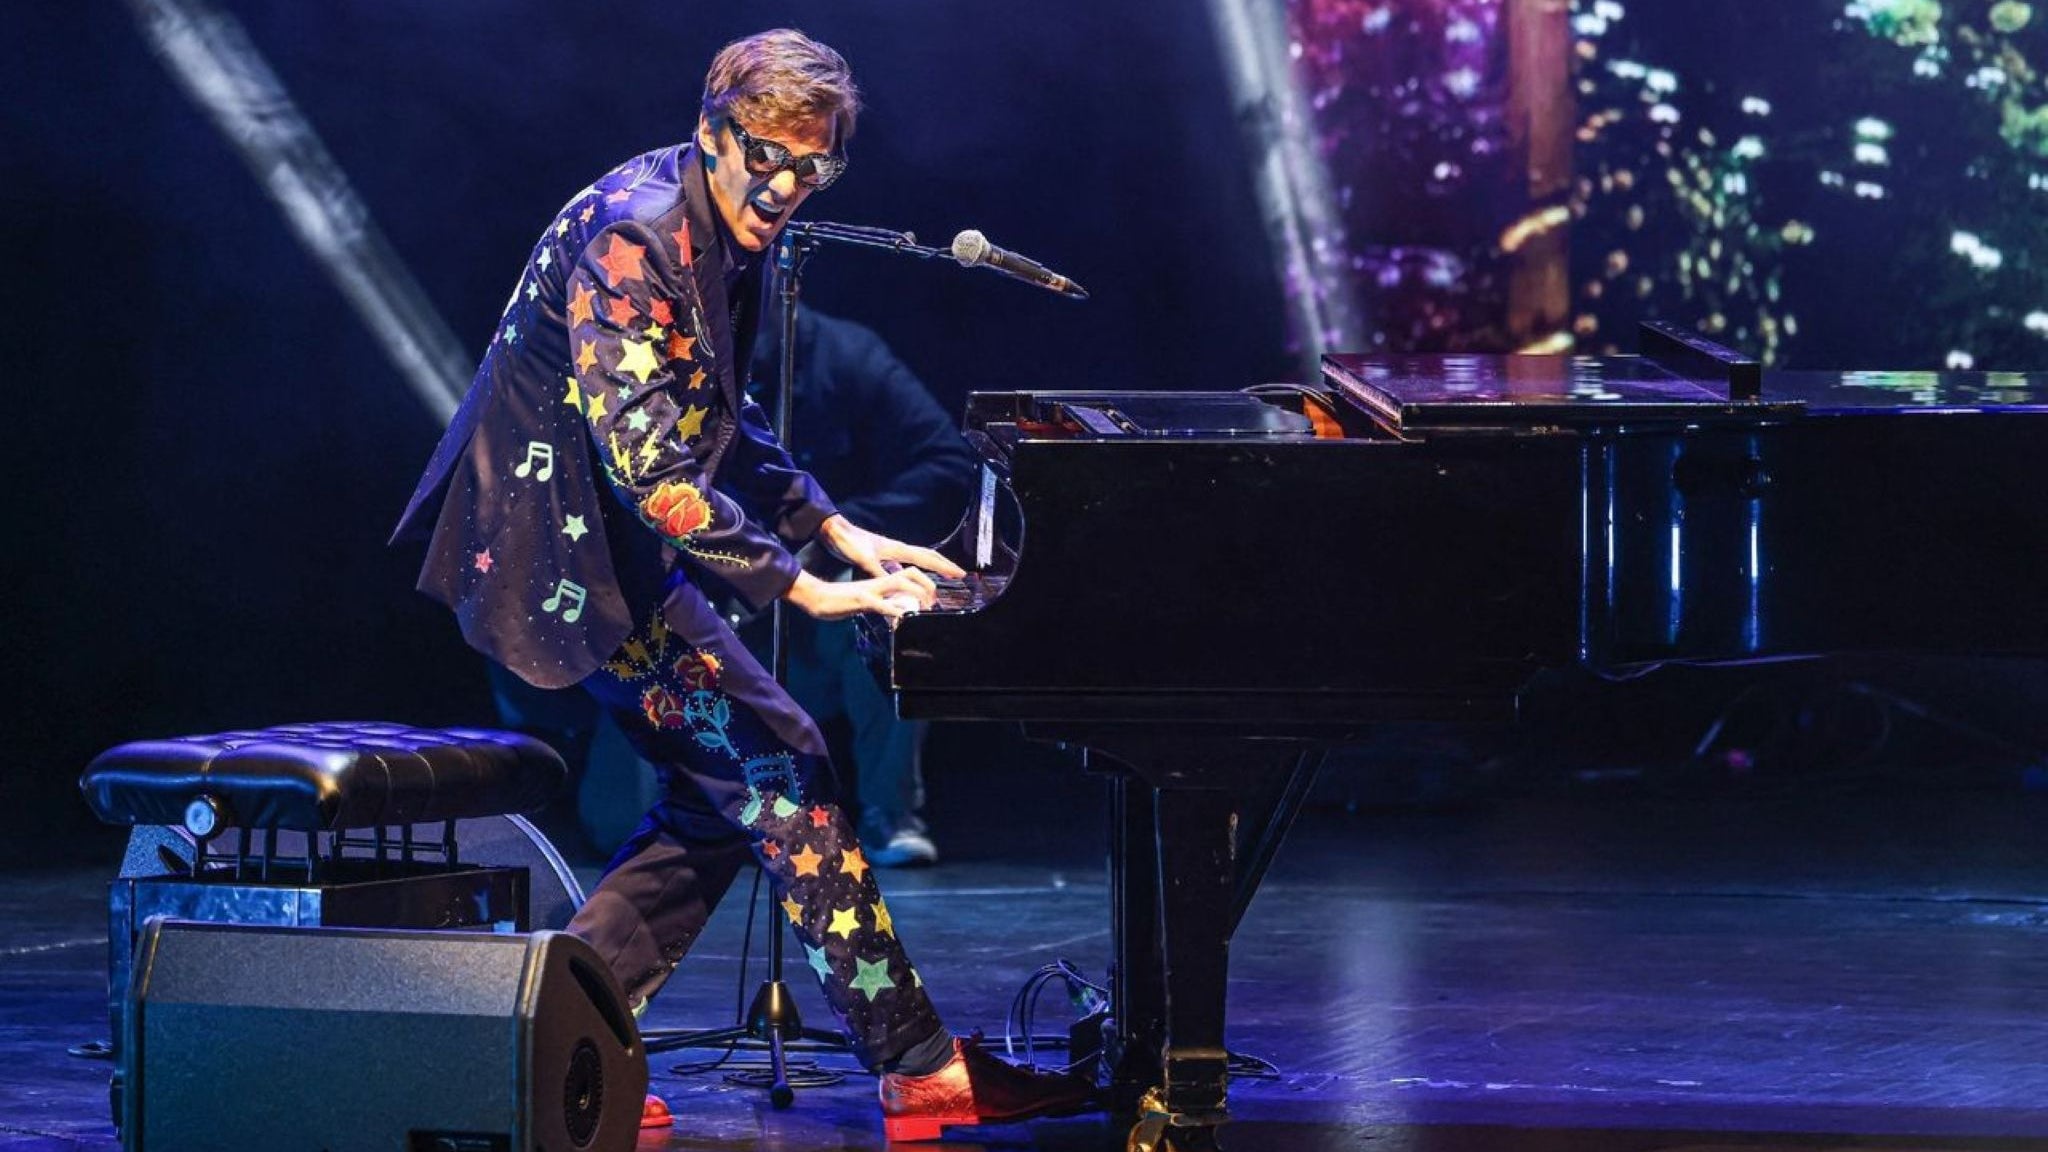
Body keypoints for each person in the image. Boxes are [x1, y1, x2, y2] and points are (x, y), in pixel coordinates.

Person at [391, 28, 1092, 1139]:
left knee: (731, 790)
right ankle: (913, 1063)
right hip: (558, 555)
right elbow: (649, 468)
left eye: (812, 168)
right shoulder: (636, 237)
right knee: (778, 762)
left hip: (610, 549)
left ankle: (553, 1046)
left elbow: (717, 411)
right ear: (713, 132)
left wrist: (835, 527)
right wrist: (801, 586)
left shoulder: (722, 228)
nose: (783, 187)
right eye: (764, 156)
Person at [744, 305, 977, 868]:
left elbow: (947, 460)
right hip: (718, 598)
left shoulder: (849, 356)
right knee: (615, 820)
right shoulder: (685, 358)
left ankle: (890, 811)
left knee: (899, 613)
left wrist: (836, 530)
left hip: (824, 605)